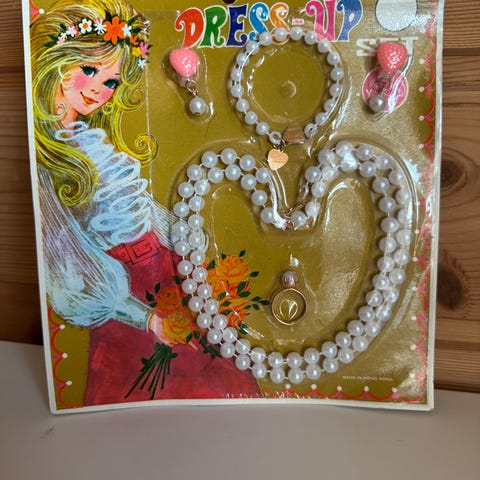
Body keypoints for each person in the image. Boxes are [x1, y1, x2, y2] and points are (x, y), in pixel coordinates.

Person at [30, 0, 260, 405]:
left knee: (225, 379)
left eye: (111, 81)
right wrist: (146, 318)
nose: (100, 89)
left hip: (169, 272)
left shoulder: (92, 141)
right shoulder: (48, 161)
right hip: (129, 296)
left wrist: (191, 256)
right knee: (148, 391)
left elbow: (142, 214)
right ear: (57, 66)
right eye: (89, 71)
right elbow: (65, 263)